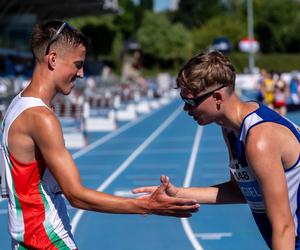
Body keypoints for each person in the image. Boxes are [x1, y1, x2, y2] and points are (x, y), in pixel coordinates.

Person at [0, 20, 199, 249]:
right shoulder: (41, 118)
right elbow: (76, 195)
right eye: (77, 64)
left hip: (25, 240)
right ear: (52, 59)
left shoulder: (16, 106)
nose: (82, 73)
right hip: (47, 241)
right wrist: (147, 205)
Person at [133, 50, 300, 250]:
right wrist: (177, 193)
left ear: (218, 97)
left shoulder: (260, 140)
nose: (186, 110)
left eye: (191, 102)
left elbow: (284, 227)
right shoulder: (231, 129)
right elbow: (241, 192)